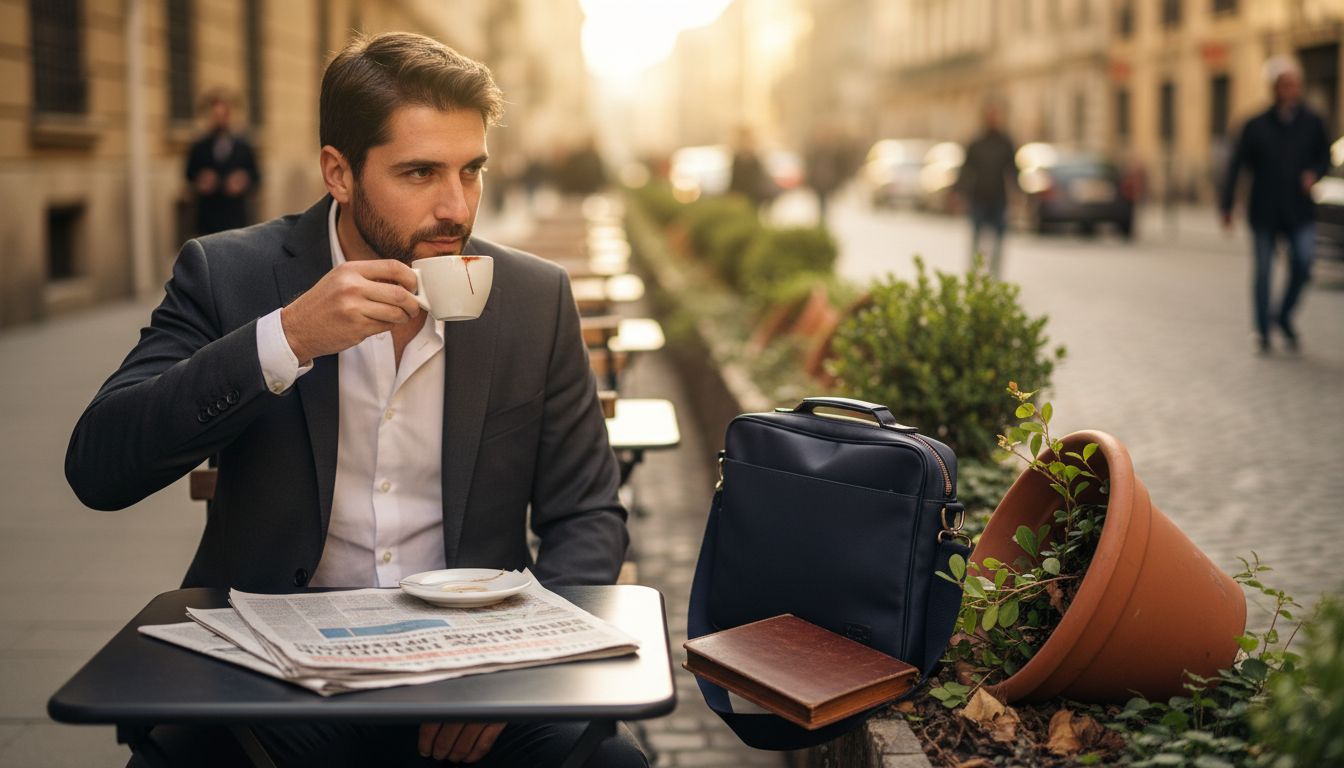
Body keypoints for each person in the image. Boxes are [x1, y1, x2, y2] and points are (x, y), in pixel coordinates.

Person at [66, 32, 642, 768]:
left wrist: (520, 670)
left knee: (610, 763)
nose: (455, 207)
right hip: (275, 678)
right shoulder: (228, 275)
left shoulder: (533, 298)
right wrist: (289, 338)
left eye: (472, 171)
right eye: (420, 173)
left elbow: (587, 514)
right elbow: (99, 467)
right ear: (338, 173)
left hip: (474, 669)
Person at [1219, 55, 1331, 353]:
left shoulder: (1313, 122)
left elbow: (1325, 157)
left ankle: (1282, 316)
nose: (1291, 89)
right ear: (1273, 87)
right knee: (1264, 271)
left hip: (1299, 210)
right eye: (1285, 84)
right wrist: (1227, 206)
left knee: (1304, 263)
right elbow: (1237, 166)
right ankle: (1262, 330)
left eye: (1295, 84)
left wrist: (1315, 174)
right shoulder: (1255, 124)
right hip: (1264, 210)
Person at [954, 100, 1019, 278]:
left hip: (998, 198)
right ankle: (973, 274)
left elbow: (1013, 169)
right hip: (978, 197)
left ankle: (995, 276)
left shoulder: (1006, 142)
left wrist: (1019, 192)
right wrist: (958, 192)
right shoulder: (977, 142)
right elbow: (966, 169)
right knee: (976, 239)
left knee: (999, 240)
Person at [185, 91, 261, 235]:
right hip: (208, 220)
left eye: (223, 115)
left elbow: (257, 177)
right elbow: (188, 174)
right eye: (216, 115)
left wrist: (243, 180)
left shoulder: (244, 146)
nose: (220, 120)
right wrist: (200, 181)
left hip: (236, 219)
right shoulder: (199, 146)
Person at [728, 126, 771, 211]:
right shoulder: (737, 159)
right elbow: (734, 182)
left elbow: (760, 181)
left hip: (755, 198)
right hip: (742, 198)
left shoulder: (755, 159)